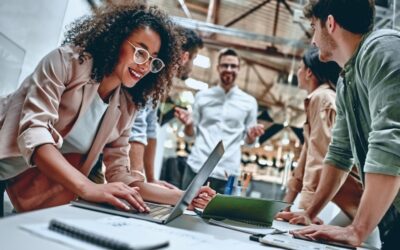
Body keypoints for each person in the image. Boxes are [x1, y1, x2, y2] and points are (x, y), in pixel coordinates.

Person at [0, 3, 213, 213]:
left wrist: (184, 196)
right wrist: (89, 188)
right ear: (116, 40)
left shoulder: (126, 105)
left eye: (153, 60)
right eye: (140, 52)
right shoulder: (65, 62)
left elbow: (120, 175)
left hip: (18, 179)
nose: (145, 66)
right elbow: (35, 133)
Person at [277, 1, 400, 249]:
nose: (313, 40)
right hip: (392, 218)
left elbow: (391, 140)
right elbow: (340, 152)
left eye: (314, 27)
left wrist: (358, 229)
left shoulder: (383, 48)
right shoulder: (346, 82)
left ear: (330, 24)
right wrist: (310, 212)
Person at [278, 47, 363, 223]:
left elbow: (320, 155)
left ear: (309, 72)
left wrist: (308, 211)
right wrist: (283, 206)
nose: (298, 72)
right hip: (352, 198)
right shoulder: (318, 99)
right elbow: (305, 158)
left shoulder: (322, 98)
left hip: (359, 197)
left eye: (300, 68)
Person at [175, 48, 265, 194]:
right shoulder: (202, 97)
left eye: (233, 66)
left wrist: (251, 136)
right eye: (225, 65)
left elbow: (249, 143)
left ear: (239, 69)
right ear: (217, 68)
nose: (229, 69)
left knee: (220, 216)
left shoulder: (249, 102)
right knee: (184, 211)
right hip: (197, 166)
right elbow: (190, 135)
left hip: (228, 172)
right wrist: (189, 125)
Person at [129, 27, 204, 190]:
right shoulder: (150, 76)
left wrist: (150, 179)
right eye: (194, 58)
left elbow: (150, 129)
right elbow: (137, 127)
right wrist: (138, 182)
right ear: (185, 57)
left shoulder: (160, 83)